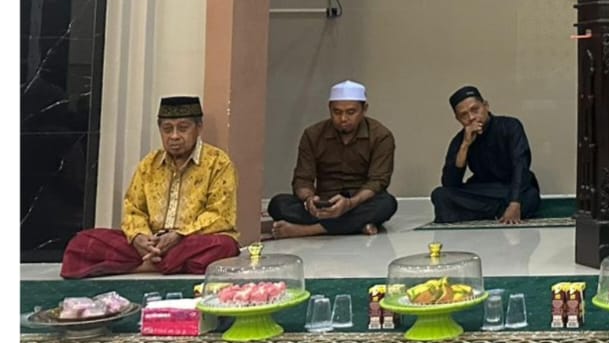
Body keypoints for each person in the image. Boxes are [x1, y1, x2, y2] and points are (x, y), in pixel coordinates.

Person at [61, 96, 239, 278]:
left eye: (183, 128)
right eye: (167, 129)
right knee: (82, 242)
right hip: (151, 243)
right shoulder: (149, 164)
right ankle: (164, 264)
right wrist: (140, 238)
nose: (174, 136)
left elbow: (219, 215)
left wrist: (178, 235)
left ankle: (144, 266)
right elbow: (133, 208)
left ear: (199, 127)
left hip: (189, 240)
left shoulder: (218, 163)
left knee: (224, 246)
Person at [268, 80, 398, 238]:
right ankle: (356, 224)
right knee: (278, 204)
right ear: (329, 108)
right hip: (324, 202)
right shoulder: (313, 135)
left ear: (364, 109)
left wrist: (350, 203)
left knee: (386, 204)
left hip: (359, 202)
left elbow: (377, 181)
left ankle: (309, 230)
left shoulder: (381, 136)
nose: (343, 118)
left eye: (351, 112)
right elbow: (302, 179)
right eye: (337, 112)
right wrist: (309, 199)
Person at [429, 85, 542, 225]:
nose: (471, 117)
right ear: (458, 119)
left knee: (530, 197)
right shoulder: (461, 140)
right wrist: (465, 145)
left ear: (486, 106)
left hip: (510, 188)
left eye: (475, 110)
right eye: (464, 115)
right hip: (483, 190)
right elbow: (450, 183)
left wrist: (514, 203)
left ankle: (478, 214)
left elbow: (521, 165)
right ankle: (496, 212)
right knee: (440, 195)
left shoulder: (510, 126)